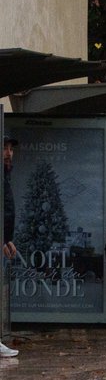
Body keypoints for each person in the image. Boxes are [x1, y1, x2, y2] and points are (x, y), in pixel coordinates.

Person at [1, 135, 19, 357]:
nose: (8, 153)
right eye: (4, 148)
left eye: (10, 149)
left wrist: (7, 239)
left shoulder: (4, 175)